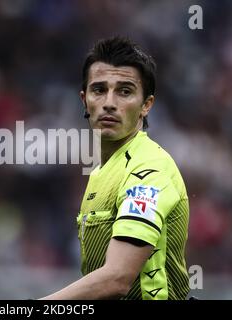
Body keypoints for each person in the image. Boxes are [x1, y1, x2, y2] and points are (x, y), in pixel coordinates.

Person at [41, 36, 190, 300]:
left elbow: (117, 278)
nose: (109, 102)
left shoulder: (149, 171)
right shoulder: (101, 172)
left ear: (146, 105)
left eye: (125, 91)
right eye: (99, 90)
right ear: (84, 100)